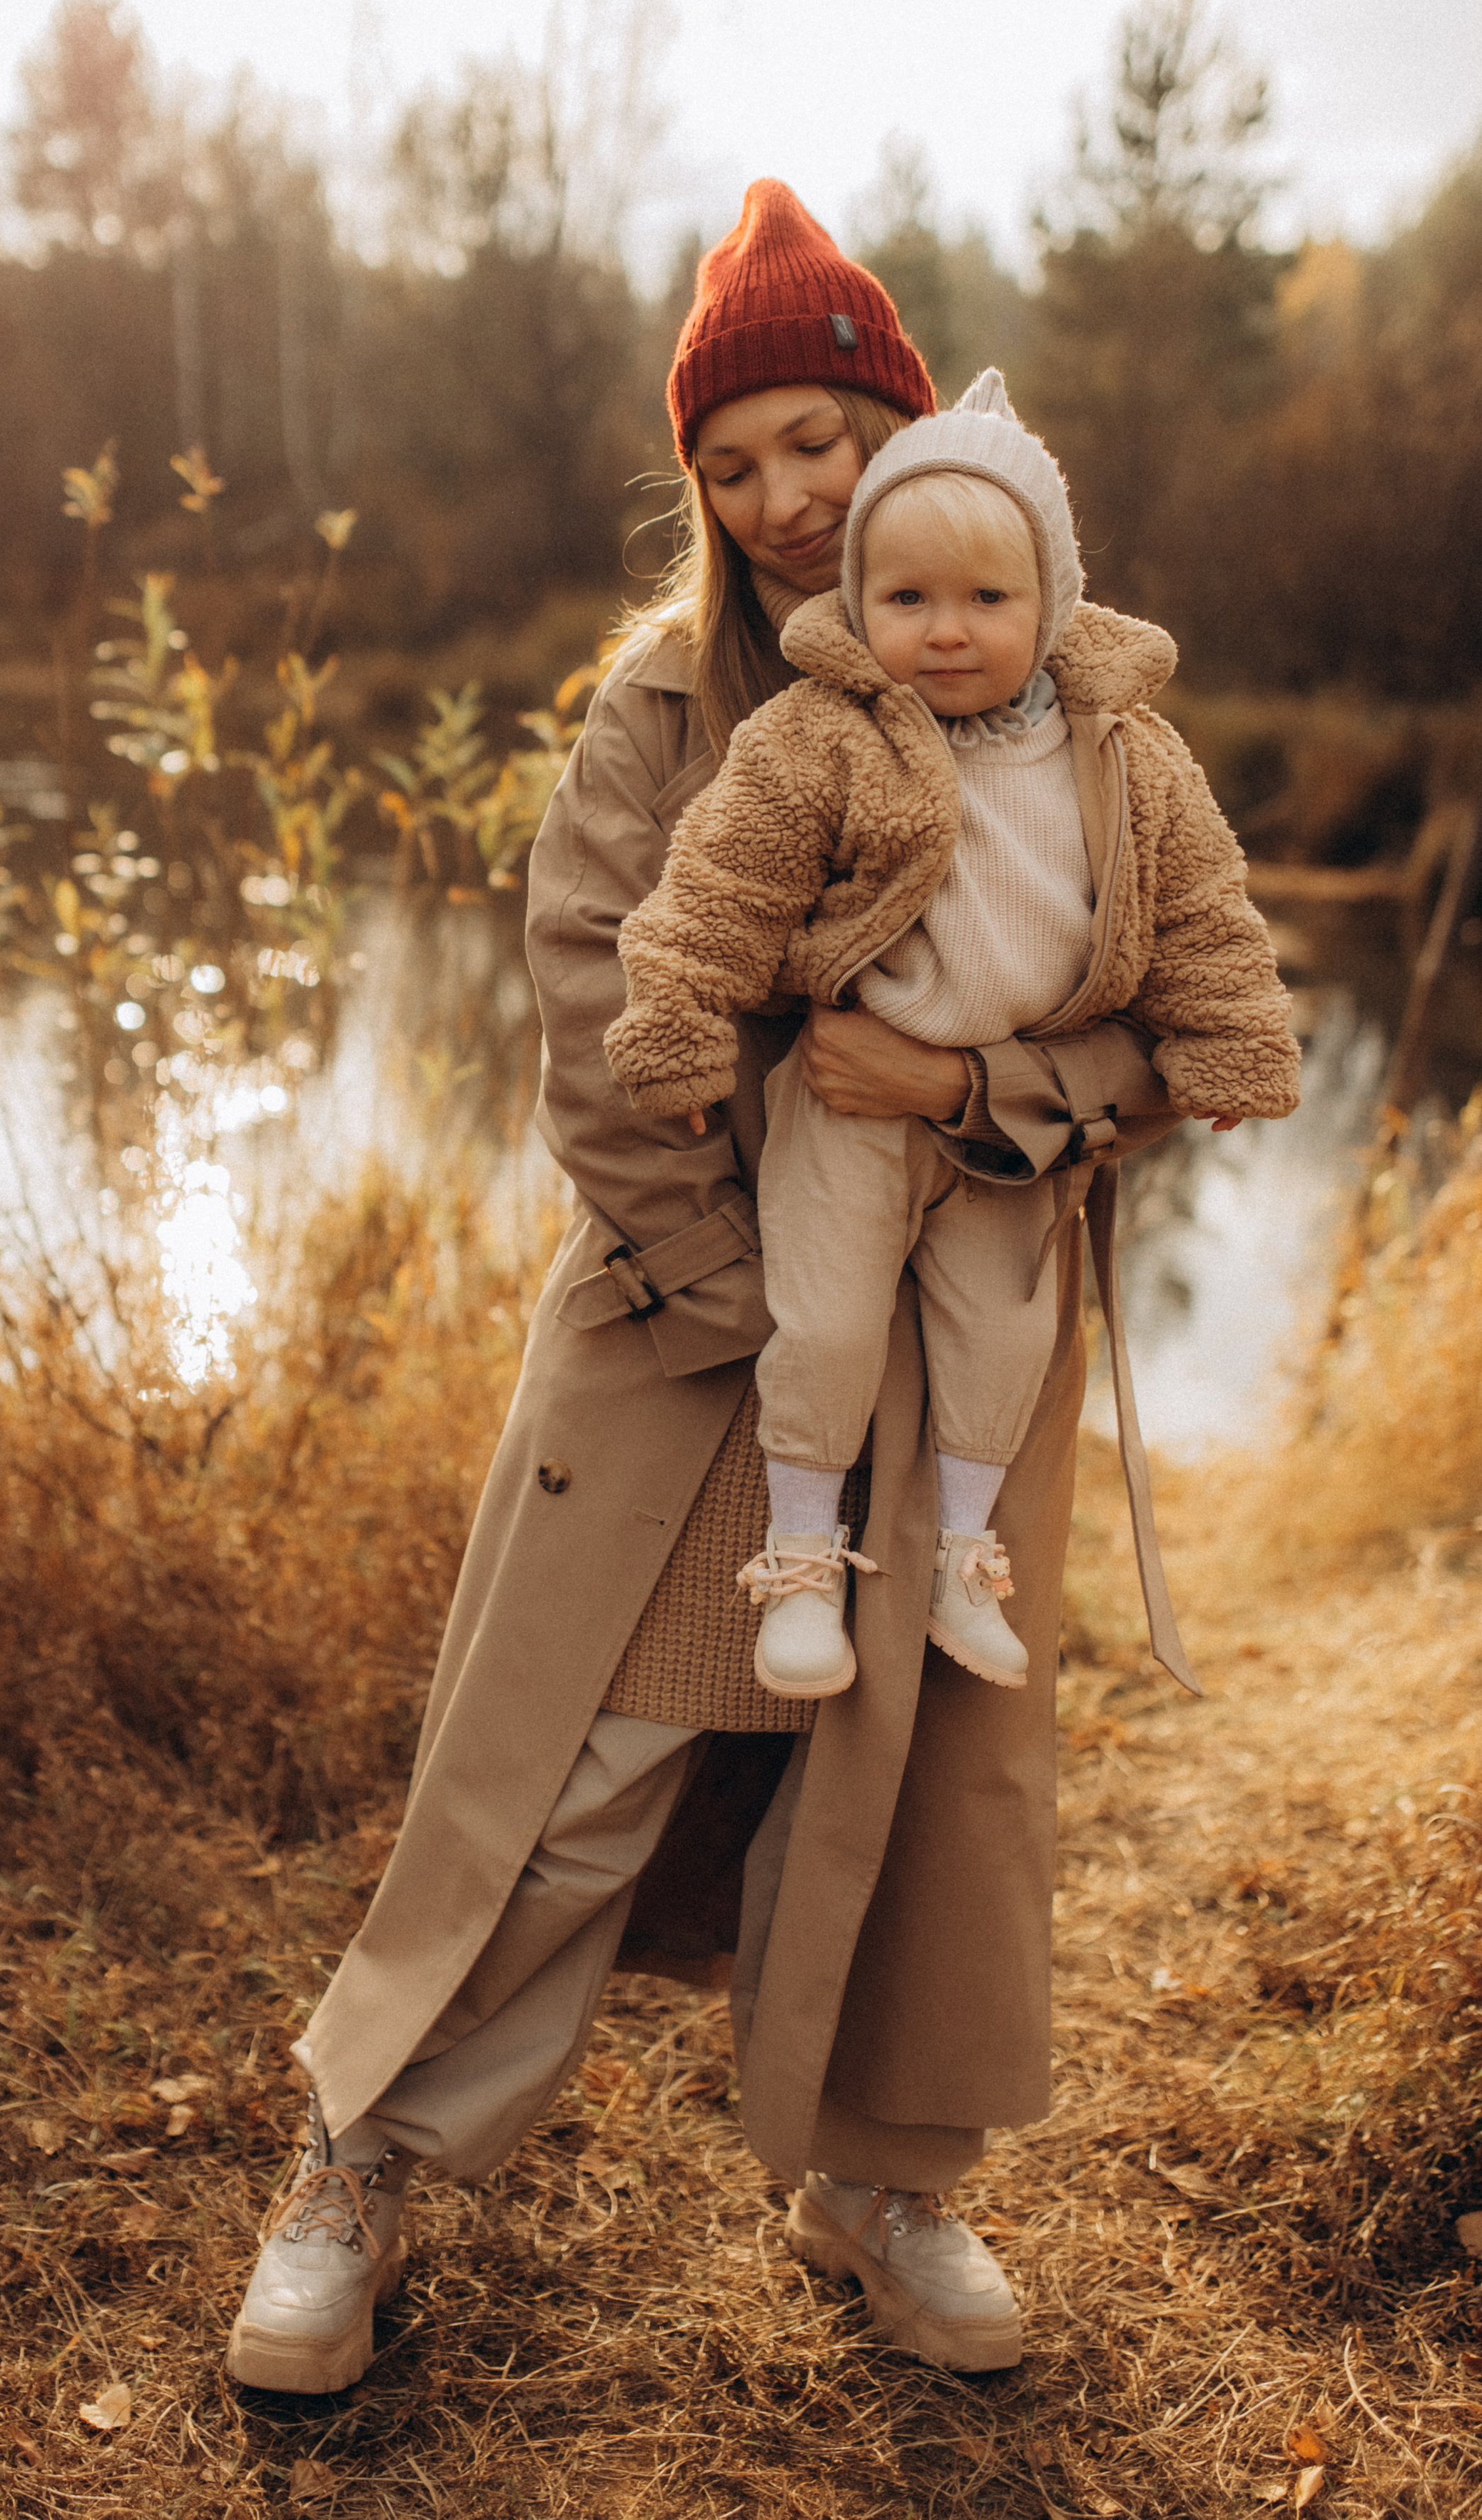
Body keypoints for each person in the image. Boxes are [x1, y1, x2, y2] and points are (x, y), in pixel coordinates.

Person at [224, 181, 1215, 2398]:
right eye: (736, 460)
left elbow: (1180, 1019)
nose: (784, 498)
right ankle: (360, 2166)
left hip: (949, 1348)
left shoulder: (1060, 702)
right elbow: (591, 1019)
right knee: (578, 1772)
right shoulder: (663, 711)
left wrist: (969, 1086)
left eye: (821, 443)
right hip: (698, 1343)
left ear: (907, 435)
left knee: (907, 1780)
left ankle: (888, 2178)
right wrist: (753, 1292)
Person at [604, 372, 1299, 1701]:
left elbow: (1203, 908)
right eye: (909, 600)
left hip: (1004, 1124)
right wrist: (679, 1018)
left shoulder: (1125, 752)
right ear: (860, 605)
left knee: (1004, 1336)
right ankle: (802, 1563)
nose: (946, 633)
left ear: (1054, 604)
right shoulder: (828, 733)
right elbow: (722, 883)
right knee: (823, 1321)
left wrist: (1230, 1045)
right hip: (855, 1099)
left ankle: (960, 1555)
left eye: (989, 601)